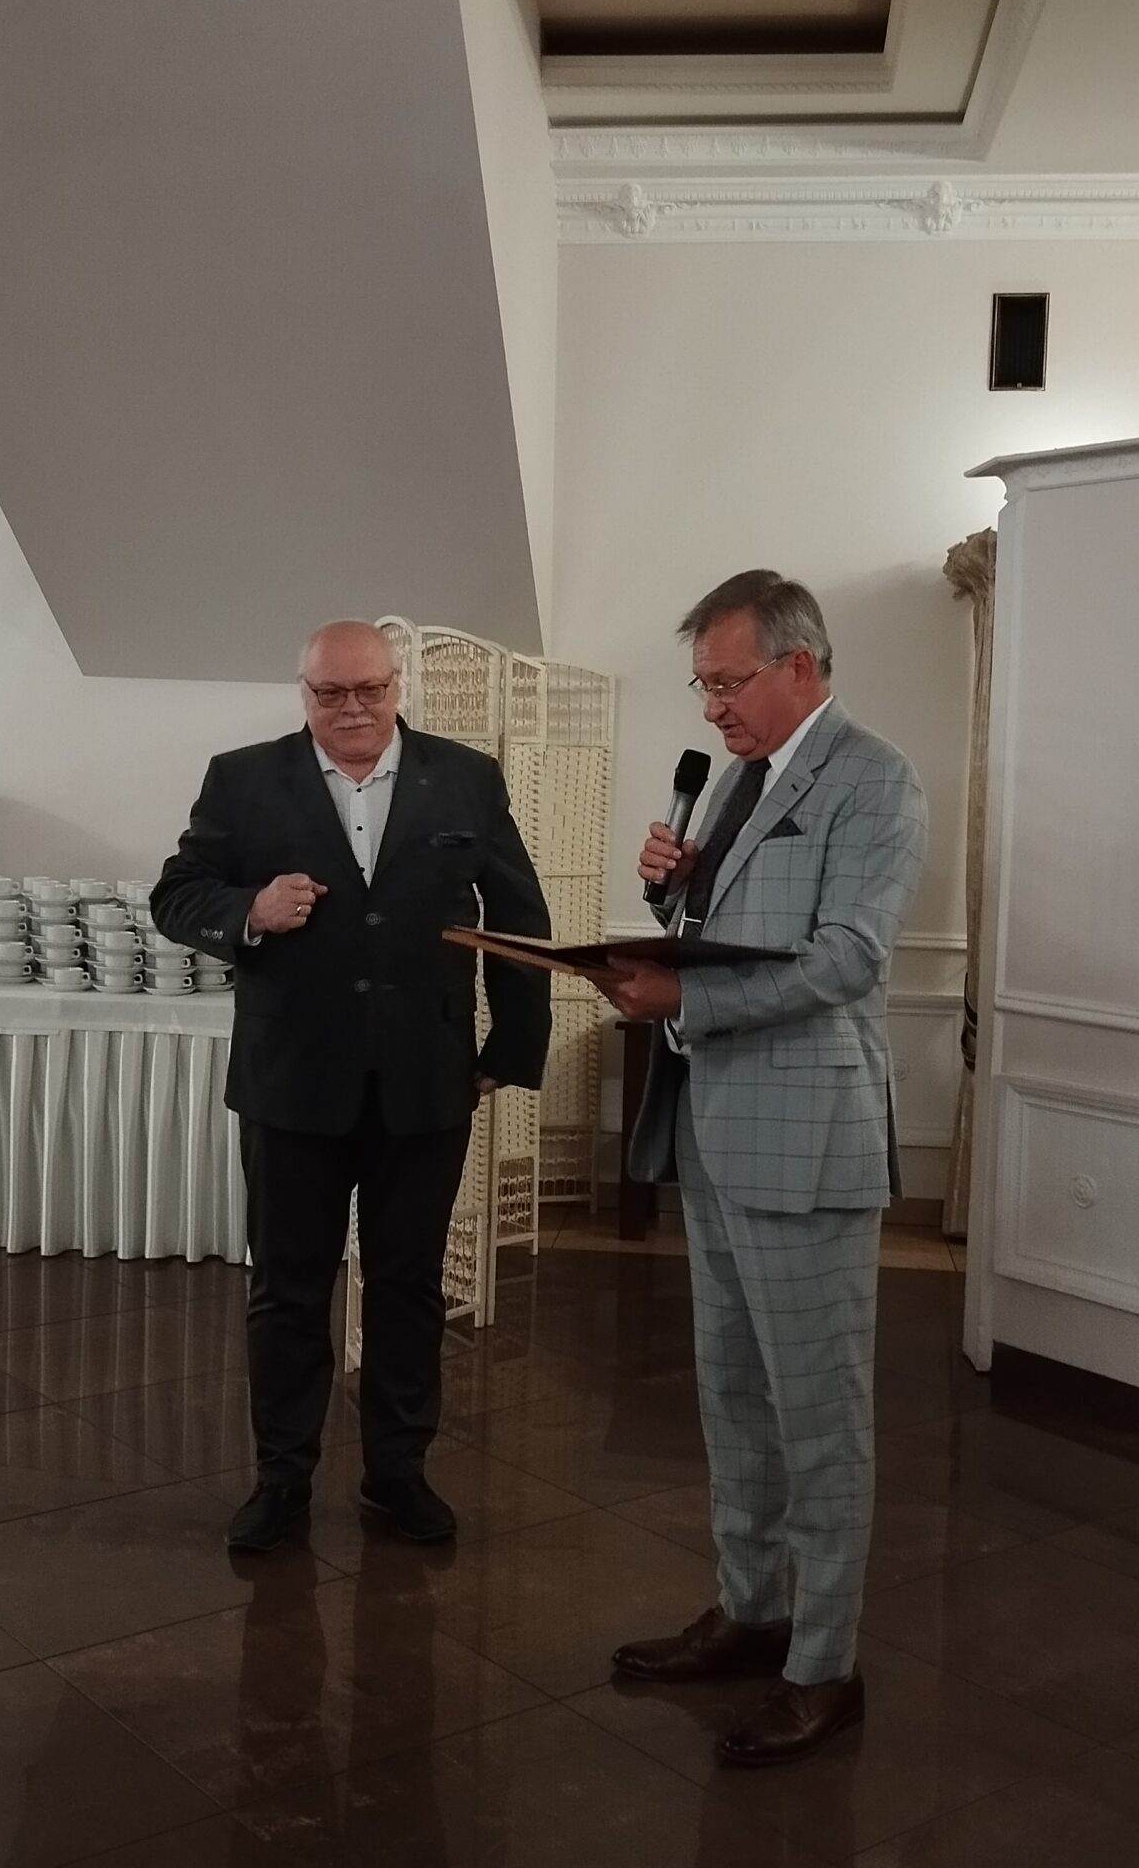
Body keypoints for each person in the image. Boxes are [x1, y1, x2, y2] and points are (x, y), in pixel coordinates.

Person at [597, 571, 927, 1770]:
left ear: (800, 664)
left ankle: (822, 1664)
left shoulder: (874, 778)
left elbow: (847, 958)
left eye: (727, 682)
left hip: (804, 1139)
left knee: (818, 1415)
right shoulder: (741, 777)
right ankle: (750, 1608)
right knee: (732, 1395)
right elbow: (737, 926)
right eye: (702, 685)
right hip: (715, 1127)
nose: (711, 708)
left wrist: (683, 998)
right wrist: (670, 887)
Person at [154, 620, 552, 1553]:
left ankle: (397, 1473)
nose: (353, 709)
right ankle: (281, 1478)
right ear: (303, 694)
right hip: (292, 1078)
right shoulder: (244, 778)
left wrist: (514, 1043)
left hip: (427, 1075)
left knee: (409, 1286)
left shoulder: (467, 777)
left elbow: (519, 916)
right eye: (330, 693)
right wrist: (248, 909)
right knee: (287, 1290)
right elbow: (176, 895)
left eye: (369, 689)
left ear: (397, 684)